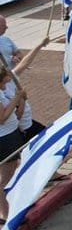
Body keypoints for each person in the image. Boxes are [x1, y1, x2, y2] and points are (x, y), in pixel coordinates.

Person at [0, 63, 26, 221]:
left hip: (12, 134)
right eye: (3, 82)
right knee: (5, 177)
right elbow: (2, 118)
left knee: (14, 169)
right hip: (5, 139)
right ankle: (6, 213)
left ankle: (12, 207)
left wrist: (20, 99)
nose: (5, 85)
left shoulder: (1, 92)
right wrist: (17, 98)